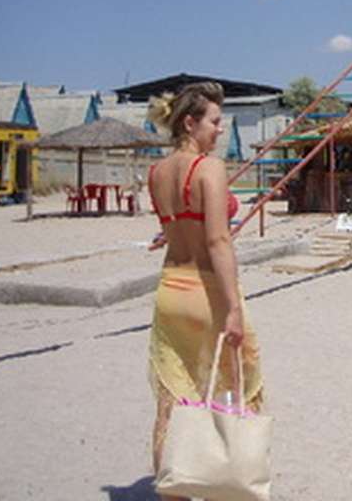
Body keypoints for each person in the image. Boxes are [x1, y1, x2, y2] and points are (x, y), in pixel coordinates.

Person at [145, 82, 264, 497]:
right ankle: (233, 484)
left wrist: (172, 233)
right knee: (241, 390)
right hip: (207, 291)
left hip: (170, 290)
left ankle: (172, 491)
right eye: (214, 122)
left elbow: (176, 223)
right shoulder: (209, 168)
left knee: (172, 401)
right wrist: (233, 308)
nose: (220, 129)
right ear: (190, 124)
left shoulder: (157, 171)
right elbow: (217, 240)